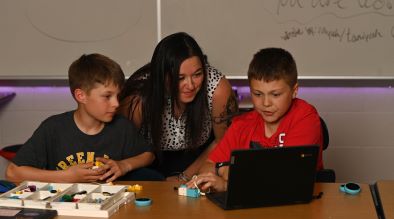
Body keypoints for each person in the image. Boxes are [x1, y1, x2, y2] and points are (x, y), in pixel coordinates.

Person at [187, 47, 324, 192]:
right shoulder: (242, 124)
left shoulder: (305, 116)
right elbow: (207, 167)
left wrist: (229, 183)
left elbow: (286, 177)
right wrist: (222, 170)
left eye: (275, 94)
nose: (265, 103)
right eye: (258, 94)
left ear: (294, 90)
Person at [6, 53, 157, 183]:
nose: (116, 103)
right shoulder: (53, 128)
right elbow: (13, 173)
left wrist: (124, 165)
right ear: (81, 96)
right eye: (107, 96)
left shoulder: (122, 127)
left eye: (118, 96)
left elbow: (148, 155)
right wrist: (67, 176)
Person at [118, 32, 238, 181]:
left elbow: (224, 141)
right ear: (162, 76)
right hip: (147, 163)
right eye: (180, 78)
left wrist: (184, 177)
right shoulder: (138, 97)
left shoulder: (217, 88)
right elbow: (121, 149)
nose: (191, 85)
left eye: (197, 74)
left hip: (200, 159)